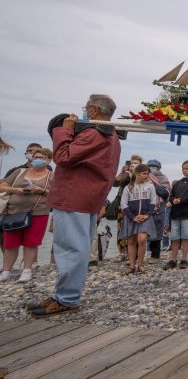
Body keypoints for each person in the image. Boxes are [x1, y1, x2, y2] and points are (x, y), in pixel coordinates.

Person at [27, 94, 121, 317]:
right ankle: (64, 294)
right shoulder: (111, 135)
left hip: (75, 195)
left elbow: (63, 156)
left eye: (86, 108)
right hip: (86, 196)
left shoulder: (93, 133)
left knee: (71, 248)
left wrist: (64, 130)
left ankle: (67, 298)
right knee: (76, 246)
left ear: (94, 110)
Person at [0, 147, 54, 282]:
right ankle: (6, 271)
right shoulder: (19, 172)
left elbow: (59, 194)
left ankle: (27, 270)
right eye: (36, 157)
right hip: (13, 212)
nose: (38, 160)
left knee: (31, 242)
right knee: (10, 243)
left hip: (38, 212)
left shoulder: (51, 176)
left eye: (42, 158)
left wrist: (42, 191)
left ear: (49, 160)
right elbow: (2, 186)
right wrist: (16, 190)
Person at [119, 164, 165, 274]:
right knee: (131, 241)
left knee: (142, 239)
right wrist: (133, 217)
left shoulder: (150, 186)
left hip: (145, 217)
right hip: (132, 218)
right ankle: (131, 266)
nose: (146, 175)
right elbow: (123, 204)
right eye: (144, 173)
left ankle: (140, 264)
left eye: (147, 173)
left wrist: (147, 215)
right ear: (136, 174)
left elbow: (153, 201)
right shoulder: (128, 187)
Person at [164, 160, 188, 270]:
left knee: (185, 237)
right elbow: (171, 196)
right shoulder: (177, 183)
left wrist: (182, 200)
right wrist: (173, 200)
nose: (185, 170)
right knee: (175, 238)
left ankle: (184, 259)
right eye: (183, 168)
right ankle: (173, 260)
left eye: (187, 168)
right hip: (175, 214)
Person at [114, 155, 143, 261]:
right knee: (121, 229)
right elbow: (115, 183)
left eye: (136, 163)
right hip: (122, 206)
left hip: (136, 206)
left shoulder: (141, 175)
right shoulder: (126, 174)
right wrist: (123, 172)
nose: (133, 165)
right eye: (132, 163)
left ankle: (134, 253)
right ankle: (122, 253)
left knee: (134, 230)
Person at [146, 159, 171, 257]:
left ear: (159, 168)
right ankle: (143, 255)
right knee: (144, 233)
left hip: (158, 210)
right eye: (150, 166)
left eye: (154, 166)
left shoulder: (163, 178)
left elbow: (165, 193)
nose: (152, 168)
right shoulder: (142, 177)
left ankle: (155, 255)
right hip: (145, 209)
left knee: (157, 233)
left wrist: (152, 181)